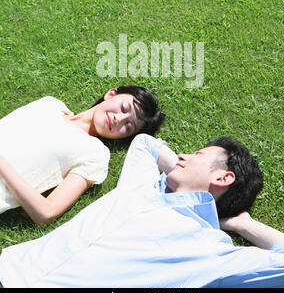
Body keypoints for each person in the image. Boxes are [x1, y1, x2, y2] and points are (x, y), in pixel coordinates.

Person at [0, 133, 284, 288]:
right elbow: (146, 144)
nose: (182, 155)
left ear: (222, 177)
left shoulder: (210, 251)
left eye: (197, 155)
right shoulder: (143, 185)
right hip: (9, 268)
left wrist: (240, 224)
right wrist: (181, 177)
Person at [0, 86, 164, 225]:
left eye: (128, 126)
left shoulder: (96, 155)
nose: (118, 119)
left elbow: (47, 212)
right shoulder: (50, 104)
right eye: (123, 108)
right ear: (111, 94)